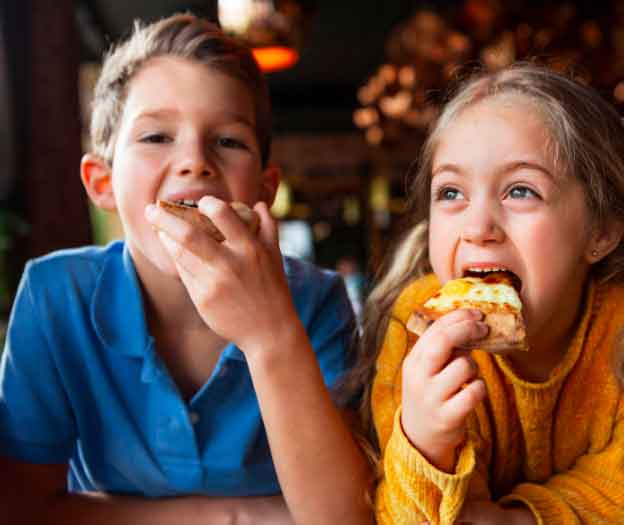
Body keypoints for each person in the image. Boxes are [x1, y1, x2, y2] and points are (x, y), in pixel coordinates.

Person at [342, 63, 624, 524]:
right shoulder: (417, 328)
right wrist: (424, 444)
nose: (477, 227)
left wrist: (519, 520)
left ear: (600, 232)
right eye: (450, 193)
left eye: (520, 190)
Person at [0, 14, 371, 525]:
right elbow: (23, 508)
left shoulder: (317, 300)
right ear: (102, 182)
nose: (195, 161)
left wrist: (270, 333)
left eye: (228, 141)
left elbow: (346, 516)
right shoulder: (54, 294)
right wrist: (240, 516)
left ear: (264, 190)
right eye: (156, 136)